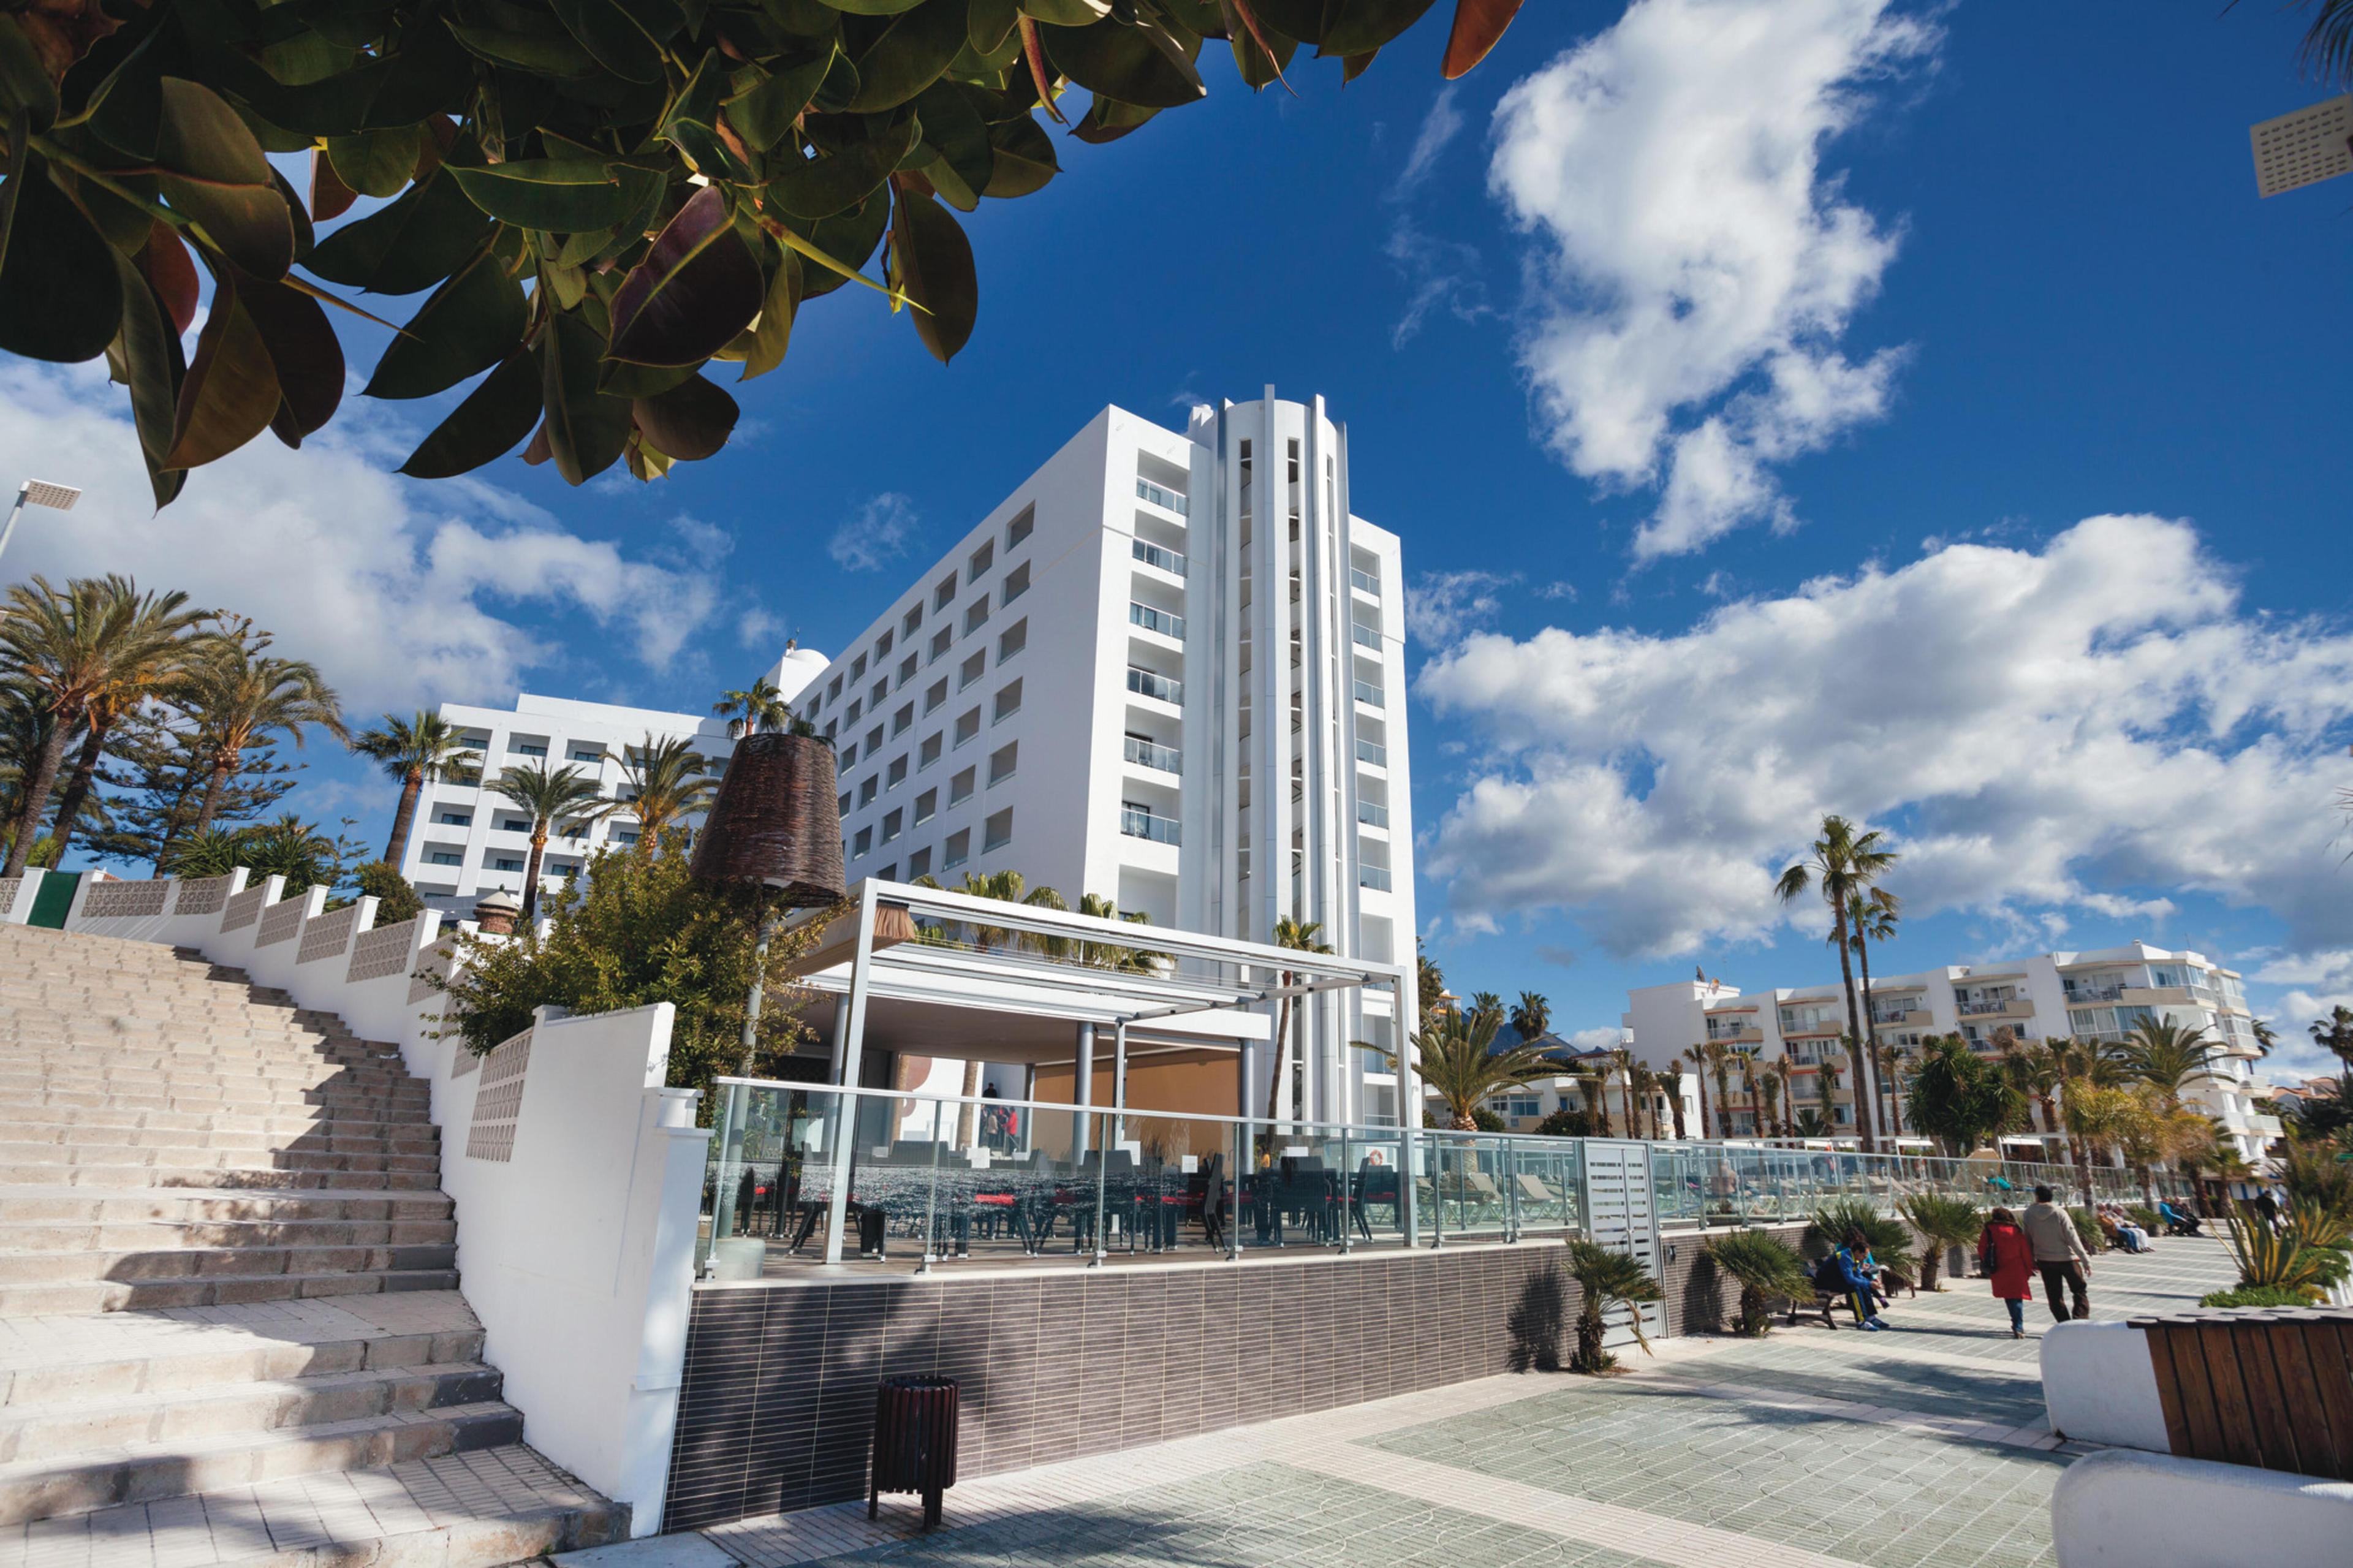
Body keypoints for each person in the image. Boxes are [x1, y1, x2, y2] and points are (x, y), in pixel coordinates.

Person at [2021, 1184, 2093, 1322]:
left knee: (2054, 1296)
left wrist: (2031, 1261)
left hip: (2044, 1260)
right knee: (2079, 1290)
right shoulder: (2059, 1212)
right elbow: (2072, 1238)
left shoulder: (2029, 1214)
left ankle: (2064, 1323)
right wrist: (2086, 1261)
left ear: (2037, 1196)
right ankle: (2080, 1320)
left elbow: (2027, 1239)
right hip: (2067, 1258)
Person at [1977, 1206, 2036, 1338]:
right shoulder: (2016, 1231)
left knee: (2009, 1297)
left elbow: (1981, 1248)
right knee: (2017, 1297)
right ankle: (2018, 1325)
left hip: (1999, 1268)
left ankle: (2016, 1323)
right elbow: (2025, 1252)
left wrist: (1988, 1261)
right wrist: (2029, 1269)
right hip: (2017, 1268)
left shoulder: (1989, 1230)